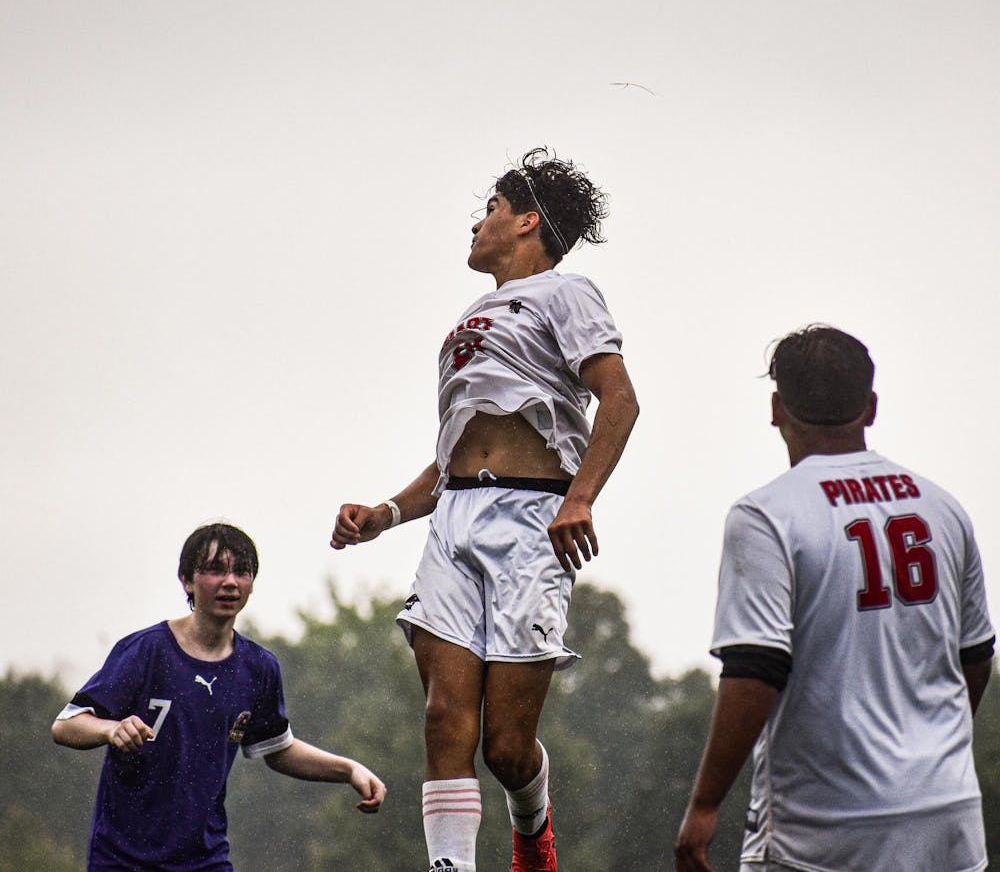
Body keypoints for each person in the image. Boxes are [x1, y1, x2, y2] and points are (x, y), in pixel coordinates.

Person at [331, 147, 639, 872]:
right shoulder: (468, 315)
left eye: (492, 209)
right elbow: (454, 452)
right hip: (453, 523)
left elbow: (621, 400)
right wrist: (384, 511)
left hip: (530, 524)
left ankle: (532, 823)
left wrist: (581, 496)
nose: (479, 222)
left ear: (527, 219)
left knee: (505, 743)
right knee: (443, 717)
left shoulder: (566, 293)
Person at [675, 325, 995, 872]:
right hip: (947, 810)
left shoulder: (765, 515)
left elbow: (756, 667)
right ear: (871, 407)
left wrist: (704, 805)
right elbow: (976, 657)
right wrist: (926, 754)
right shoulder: (943, 507)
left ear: (777, 408)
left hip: (825, 820)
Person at [52, 522, 387, 872]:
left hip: (205, 860)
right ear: (186, 580)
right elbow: (66, 726)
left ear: (252, 583)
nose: (230, 582)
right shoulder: (146, 651)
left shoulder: (258, 668)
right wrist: (110, 730)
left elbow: (277, 748)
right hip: (122, 859)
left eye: (241, 572)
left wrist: (349, 770)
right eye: (215, 570)